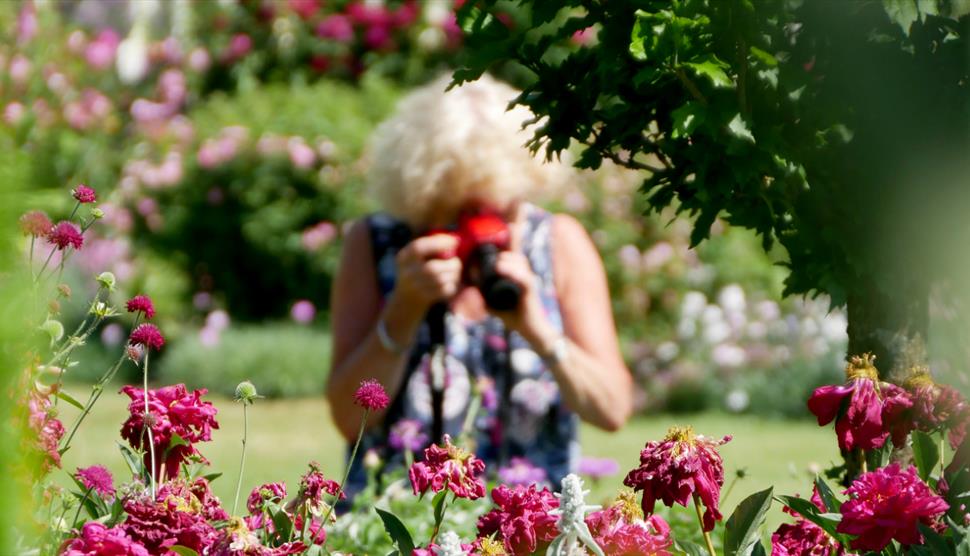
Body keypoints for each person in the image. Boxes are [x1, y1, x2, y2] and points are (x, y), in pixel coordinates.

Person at [326, 74, 633, 496]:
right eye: (456, 215)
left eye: (494, 213)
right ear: (422, 201)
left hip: (529, 526)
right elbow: (347, 417)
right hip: (399, 520)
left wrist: (536, 327)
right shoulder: (376, 244)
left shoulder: (557, 242)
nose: (476, 235)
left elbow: (612, 409)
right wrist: (403, 311)